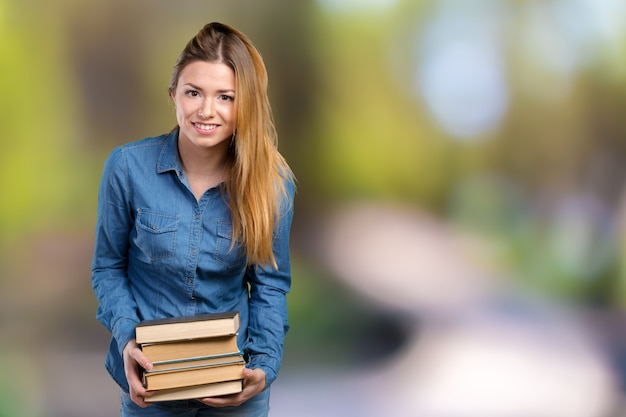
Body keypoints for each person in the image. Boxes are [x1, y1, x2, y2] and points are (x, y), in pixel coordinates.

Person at [91, 22, 295, 417]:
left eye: (226, 97)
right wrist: (128, 340)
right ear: (173, 96)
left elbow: (270, 287)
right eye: (193, 92)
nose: (206, 110)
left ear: (246, 104)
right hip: (152, 386)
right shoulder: (127, 168)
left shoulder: (272, 184)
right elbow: (107, 267)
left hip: (235, 387)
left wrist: (263, 367)